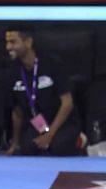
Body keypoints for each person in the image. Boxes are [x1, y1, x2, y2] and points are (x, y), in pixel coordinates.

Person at [5, 26, 83, 156]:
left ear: (28, 42)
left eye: (13, 42)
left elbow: (67, 103)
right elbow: (17, 111)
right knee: (27, 149)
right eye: (7, 42)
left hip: (63, 123)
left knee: (58, 147)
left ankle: (80, 138)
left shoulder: (52, 64)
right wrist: (15, 143)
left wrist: (50, 135)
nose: (8, 47)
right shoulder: (12, 71)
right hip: (39, 123)